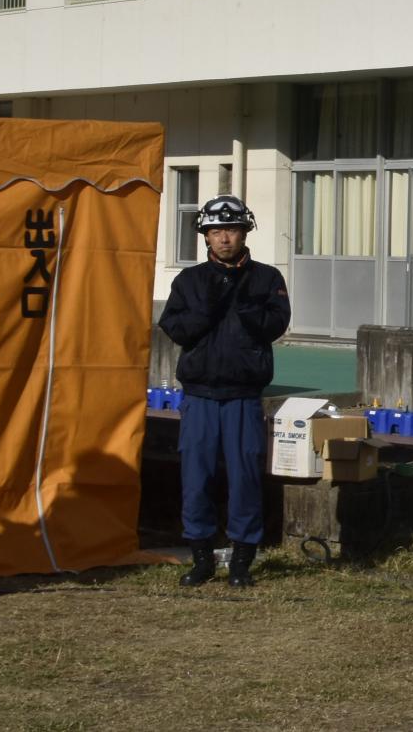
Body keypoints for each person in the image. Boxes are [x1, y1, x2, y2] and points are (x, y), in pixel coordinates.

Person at [156, 195, 290, 588]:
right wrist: (207, 309)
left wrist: (247, 309)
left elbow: (275, 325)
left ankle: (242, 561)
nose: (224, 238)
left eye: (231, 230)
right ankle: (200, 559)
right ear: (205, 237)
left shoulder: (267, 279)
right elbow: (175, 328)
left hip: (244, 395)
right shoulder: (189, 280)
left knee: (246, 476)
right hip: (199, 396)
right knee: (196, 477)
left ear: (245, 232)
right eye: (216, 231)